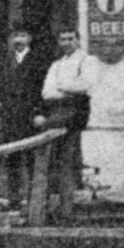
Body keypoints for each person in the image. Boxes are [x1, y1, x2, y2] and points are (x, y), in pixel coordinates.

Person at [35, 23, 97, 202]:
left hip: (75, 114)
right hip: (57, 113)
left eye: (71, 39)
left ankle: (66, 207)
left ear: (78, 40)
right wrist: (68, 88)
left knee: (67, 162)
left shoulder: (87, 60)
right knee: (51, 160)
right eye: (63, 39)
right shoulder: (57, 64)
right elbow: (47, 92)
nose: (67, 43)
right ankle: (49, 205)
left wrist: (61, 87)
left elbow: (85, 86)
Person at [0, 27, 47, 206]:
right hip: (10, 116)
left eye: (22, 36)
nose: (18, 40)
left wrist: (39, 111)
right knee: (12, 158)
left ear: (29, 38)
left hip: (30, 116)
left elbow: (43, 89)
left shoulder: (39, 60)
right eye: (15, 36)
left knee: (32, 158)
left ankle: (34, 199)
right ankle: (14, 198)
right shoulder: (4, 60)